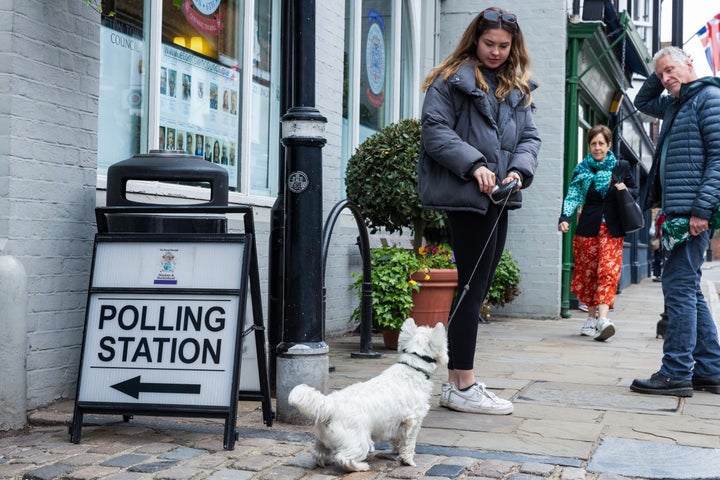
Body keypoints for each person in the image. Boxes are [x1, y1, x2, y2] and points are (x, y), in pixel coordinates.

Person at [418, 7, 540, 415]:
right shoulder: (450, 80)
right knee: (471, 288)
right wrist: (475, 165)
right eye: (489, 43)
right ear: (475, 39)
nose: (496, 52)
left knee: (478, 287)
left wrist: (520, 170)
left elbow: (530, 138)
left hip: (500, 197)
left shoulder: (516, 88)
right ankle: (462, 384)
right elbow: (435, 132)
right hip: (468, 196)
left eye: (504, 46)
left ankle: (457, 382)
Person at [630, 46, 720, 397]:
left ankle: (676, 372)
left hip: (691, 214)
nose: (667, 78)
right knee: (689, 289)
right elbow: (641, 100)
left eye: (673, 70)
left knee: (679, 289)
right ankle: (711, 369)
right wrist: (662, 74)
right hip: (679, 212)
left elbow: (718, 160)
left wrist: (701, 210)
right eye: (662, 73)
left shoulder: (708, 98)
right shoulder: (674, 103)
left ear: (690, 64)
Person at [557, 125, 638, 341]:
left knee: (607, 271)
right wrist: (565, 217)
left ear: (609, 145)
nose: (597, 147)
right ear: (589, 145)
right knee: (589, 273)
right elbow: (573, 193)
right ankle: (591, 319)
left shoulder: (620, 167)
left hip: (612, 230)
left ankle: (603, 320)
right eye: (593, 143)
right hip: (587, 229)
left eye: (601, 143)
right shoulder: (582, 169)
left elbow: (636, 191)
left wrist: (625, 189)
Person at [650, 209, 665, 281]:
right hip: (659, 239)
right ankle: (658, 275)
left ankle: (659, 275)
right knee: (658, 258)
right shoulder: (659, 216)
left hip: (663, 239)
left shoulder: (660, 215)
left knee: (659, 258)